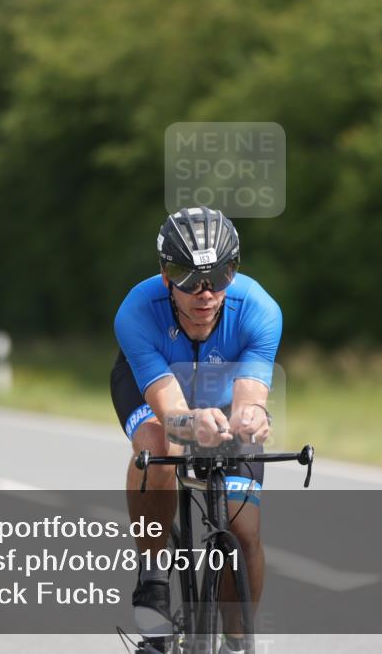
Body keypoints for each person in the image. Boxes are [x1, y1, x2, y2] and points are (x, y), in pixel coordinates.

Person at [111, 207, 282, 654]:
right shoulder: (135, 311)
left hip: (221, 392)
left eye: (220, 275)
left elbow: (249, 398)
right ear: (165, 276)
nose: (205, 293)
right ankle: (152, 578)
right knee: (155, 442)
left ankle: (238, 639)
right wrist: (192, 423)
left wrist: (252, 418)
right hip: (155, 387)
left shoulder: (259, 309)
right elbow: (171, 414)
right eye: (188, 276)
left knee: (244, 531)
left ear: (234, 269)